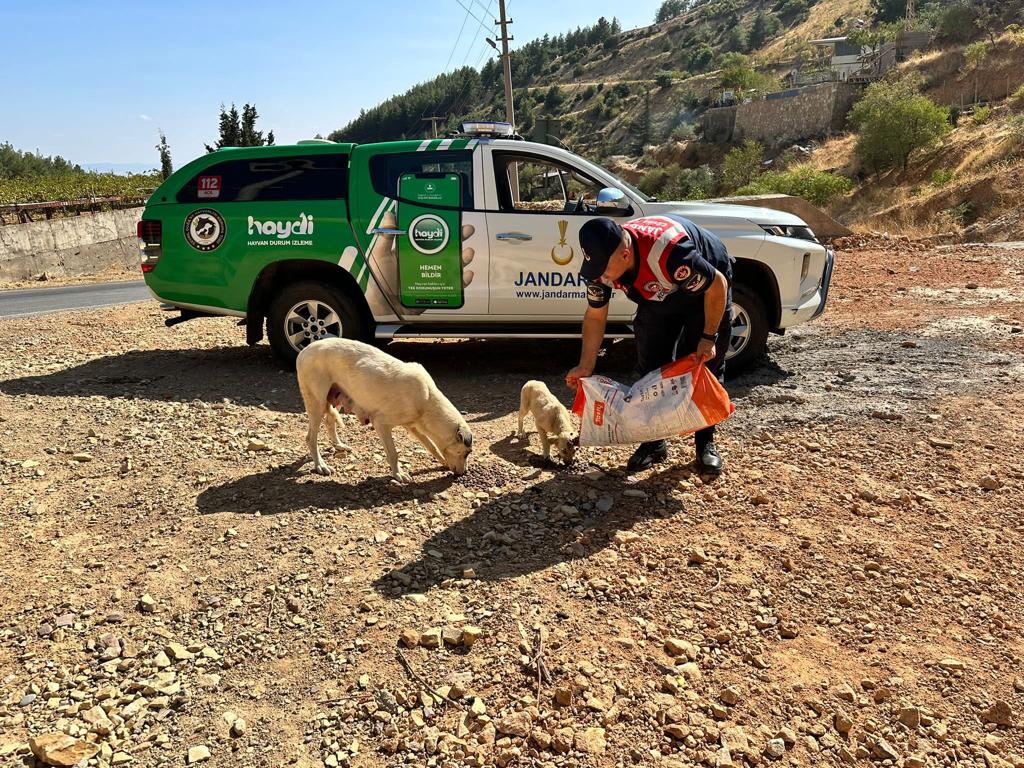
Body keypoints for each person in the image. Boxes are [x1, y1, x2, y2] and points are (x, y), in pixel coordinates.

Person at [566, 214, 734, 474]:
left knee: (704, 364)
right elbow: (595, 316)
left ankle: (705, 443)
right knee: (650, 365)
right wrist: (585, 366)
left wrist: (709, 336)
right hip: (659, 289)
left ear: (625, 255)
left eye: (603, 268)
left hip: (706, 286)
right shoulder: (600, 267)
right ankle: (654, 443)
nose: (600, 274)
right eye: (594, 266)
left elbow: (717, 285)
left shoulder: (671, 252)